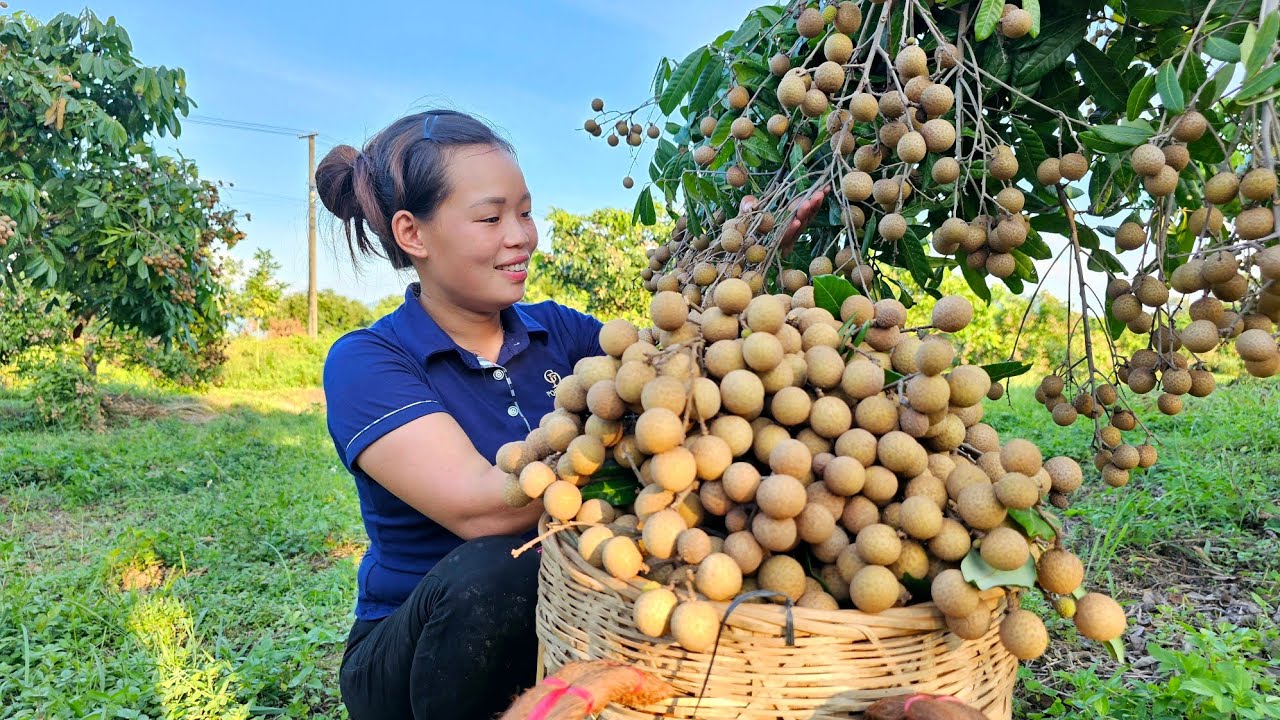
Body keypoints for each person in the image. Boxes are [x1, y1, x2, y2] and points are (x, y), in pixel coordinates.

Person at [316, 108, 824, 720]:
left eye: (525, 212)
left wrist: (750, 256)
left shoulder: (557, 330)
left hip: (567, 618)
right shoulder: (368, 360)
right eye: (490, 217)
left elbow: (679, 364)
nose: (521, 236)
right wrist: (638, 438)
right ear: (412, 234)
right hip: (413, 651)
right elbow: (481, 506)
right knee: (501, 566)